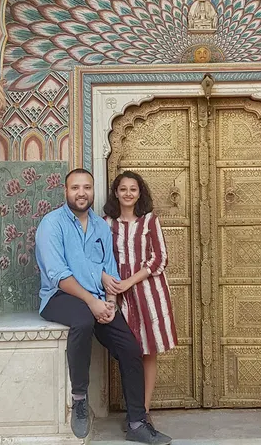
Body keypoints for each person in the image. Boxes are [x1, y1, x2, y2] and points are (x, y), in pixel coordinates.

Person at [35, 168, 172, 444]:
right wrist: (92, 302)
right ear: (66, 191)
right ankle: (80, 399)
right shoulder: (52, 224)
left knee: (131, 347)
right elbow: (58, 274)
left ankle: (137, 422)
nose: (81, 193)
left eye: (87, 187)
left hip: (98, 298)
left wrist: (109, 303)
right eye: (75, 188)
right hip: (60, 297)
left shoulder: (99, 225)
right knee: (84, 320)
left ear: (93, 191)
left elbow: (109, 267)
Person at [102, 171, 178, 427]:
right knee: (128, 350)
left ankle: (142, 411)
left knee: (148, 352)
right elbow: (99, 255)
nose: (128, 194)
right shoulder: (107, 223)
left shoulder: (149, 222)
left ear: (139, 193)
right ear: (116, 192)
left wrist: (130, 281)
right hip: (117, 293)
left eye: (133, 189)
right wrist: (112, 285)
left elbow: (160, 258)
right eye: (123, 189)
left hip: (147, 292)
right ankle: (132, 408)